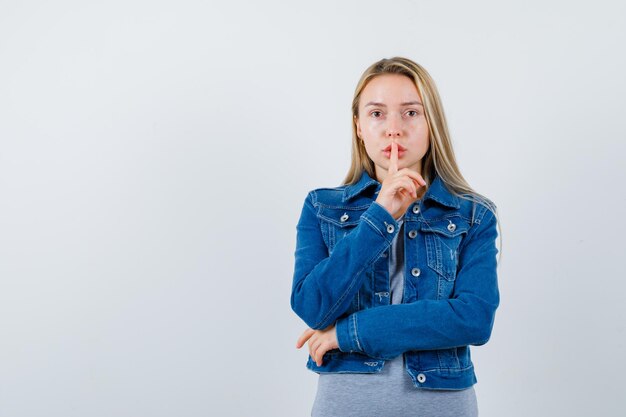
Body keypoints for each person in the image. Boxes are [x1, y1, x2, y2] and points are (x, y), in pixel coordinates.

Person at [290, 57, 501, 417]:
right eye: (376, 114)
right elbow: (312, 306)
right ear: (358, 126)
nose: (394, 129)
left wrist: (348, 333)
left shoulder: (473, 215)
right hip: (346, 406)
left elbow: (474, 319)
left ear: (431, 123)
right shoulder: (320, 207)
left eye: (410, 113)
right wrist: (380, 216)